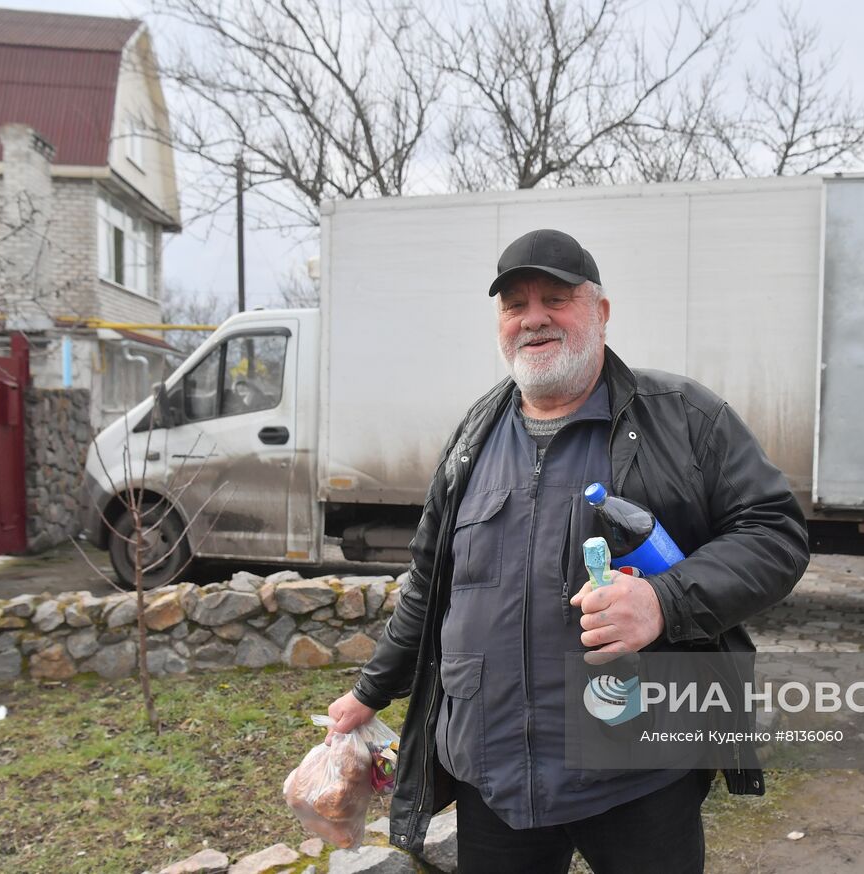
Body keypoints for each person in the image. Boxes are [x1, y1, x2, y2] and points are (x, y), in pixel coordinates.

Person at [320, 228, 810, 872]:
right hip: (493, 779)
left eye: (556, 298)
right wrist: (369, 691)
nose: (534, 319)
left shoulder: (684, 418)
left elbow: (776, 532)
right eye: (514, 304)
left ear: (600, 312)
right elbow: (429, 582)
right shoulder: (472, 438)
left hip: (639, 771)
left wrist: (665, 601)